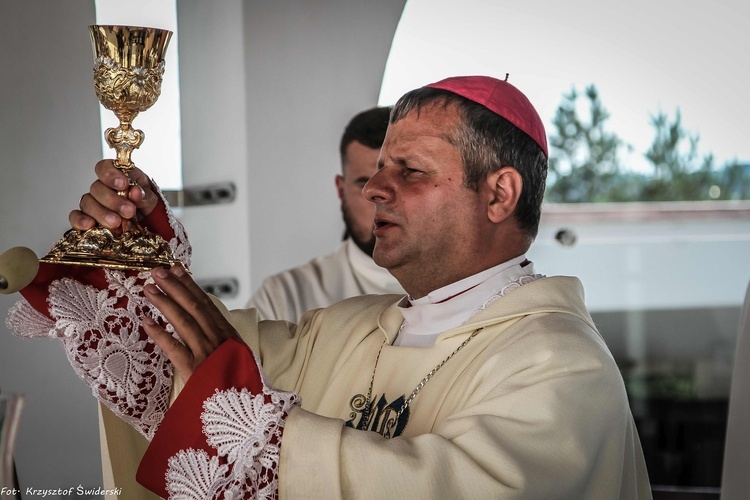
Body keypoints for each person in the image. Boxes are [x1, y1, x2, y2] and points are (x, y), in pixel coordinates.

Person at [8, 75, 651, 498]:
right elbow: (172, 371)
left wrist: (257, 428)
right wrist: (130, 259)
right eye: (376, 169)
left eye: (410, 170)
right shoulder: (346, 327)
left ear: (499, 193)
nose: (374, 189)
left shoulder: (561, 365)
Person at [248, 106, 404, 321]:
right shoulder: (284, 299)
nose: (380, 197)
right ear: (341, 190)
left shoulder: (462, 287)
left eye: (402, 180)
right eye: (364, 183)